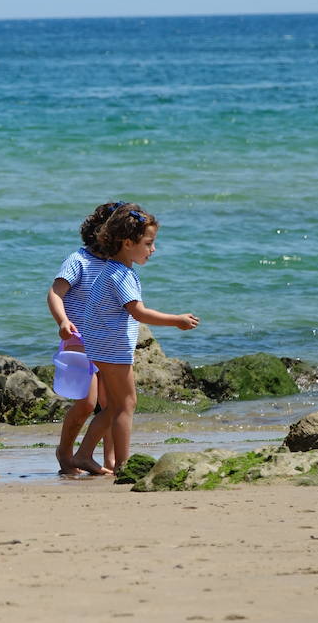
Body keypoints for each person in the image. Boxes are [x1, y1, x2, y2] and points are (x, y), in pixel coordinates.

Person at [71, 203, 199, 474]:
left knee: (115, 406)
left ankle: (83, 455)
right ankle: (123, 465)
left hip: (100, 344)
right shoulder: (121, 275)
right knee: (126, 405)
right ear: (128, 243)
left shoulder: (111, 269)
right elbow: (138, 312)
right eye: (149, 243)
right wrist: (175, 320)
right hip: (111, 347)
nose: (153, 250)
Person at [46, 201, 124, 476]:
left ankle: (110, 459)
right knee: (87, 403)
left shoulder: (117, 264)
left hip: (108, 342)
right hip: (79, 343)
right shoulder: (78, 260)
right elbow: (55, 293)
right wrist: (63, 321)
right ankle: (65, 452)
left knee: (111, 405)